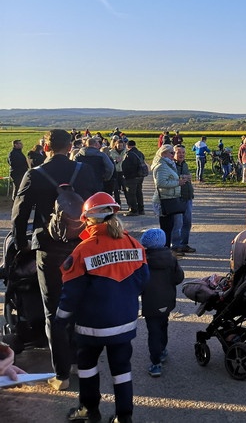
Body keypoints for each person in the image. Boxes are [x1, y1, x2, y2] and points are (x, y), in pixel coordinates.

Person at [11, 129, 99, 391]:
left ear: (46, 146)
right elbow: (99, 205)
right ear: (70, 145)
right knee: (83, 304)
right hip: (83, 246)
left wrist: (21, 244)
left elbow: (19, 215)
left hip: (48, 248)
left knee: (53, 310)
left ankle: (61, 375)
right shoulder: (84, 171)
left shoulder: (34, 174)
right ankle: (82, 362)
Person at [57, 192, 149, 423]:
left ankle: (90, 411)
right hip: (124, 323)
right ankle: (124, 416)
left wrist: (60, 319)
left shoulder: (84, 250)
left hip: (92, 326)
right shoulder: (133, 244)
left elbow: (71, 293)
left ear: (88, 219)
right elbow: (143, 280)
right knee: (122, 370)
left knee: (87, 367)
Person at [139, 228, 184, 379]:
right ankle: (163, 349)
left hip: (150, 303)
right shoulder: (171, 259)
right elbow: (178, 278)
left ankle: (156, 362)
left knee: (153, 332)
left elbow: (139, 283)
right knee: (163, 325)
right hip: (167, 300)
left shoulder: (143, 262)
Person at [152, 144, 188, 255]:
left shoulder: (168, 164)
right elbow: (161, 183)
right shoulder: (162, 166)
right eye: (171, 153)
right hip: (164, 200)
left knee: (169, 226)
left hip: (169, 198)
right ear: (163, 154)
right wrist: (178, 183)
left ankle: (167, 250)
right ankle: (165, 251)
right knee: (166, 228)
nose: (174, 155)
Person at [171, 146, 196, 254]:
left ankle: (184, 244)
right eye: (179, 152)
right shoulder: (171, 165)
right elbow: (171, 178)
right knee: (177, 223)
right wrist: (183, 176)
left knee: (187, 222)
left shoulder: (184, 164)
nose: (181, 154)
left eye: (183, 152)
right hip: (178, 198)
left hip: (188, 197)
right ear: (173, 153)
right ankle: (175, 246)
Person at [120, 140, 147, 216]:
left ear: (127, 146)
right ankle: (141, 209)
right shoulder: (140, 153)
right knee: (139, 192)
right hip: (140, 176)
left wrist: (125, 176)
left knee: (131, 194)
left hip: (132, 177)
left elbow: (125, 167)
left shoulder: (129, 154)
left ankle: (133, 210)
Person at [108, 138, 127, 206]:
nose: (120, 147)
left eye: (121, 146)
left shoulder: (126, 152)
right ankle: (118, 204)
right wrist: (115, 161)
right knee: (116, 189)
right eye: (118, 146)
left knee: (125, 189)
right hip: (115, 172)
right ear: (115, 145)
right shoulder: (111, 152)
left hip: (123, 171)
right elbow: (109, 162)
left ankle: (130, 204)